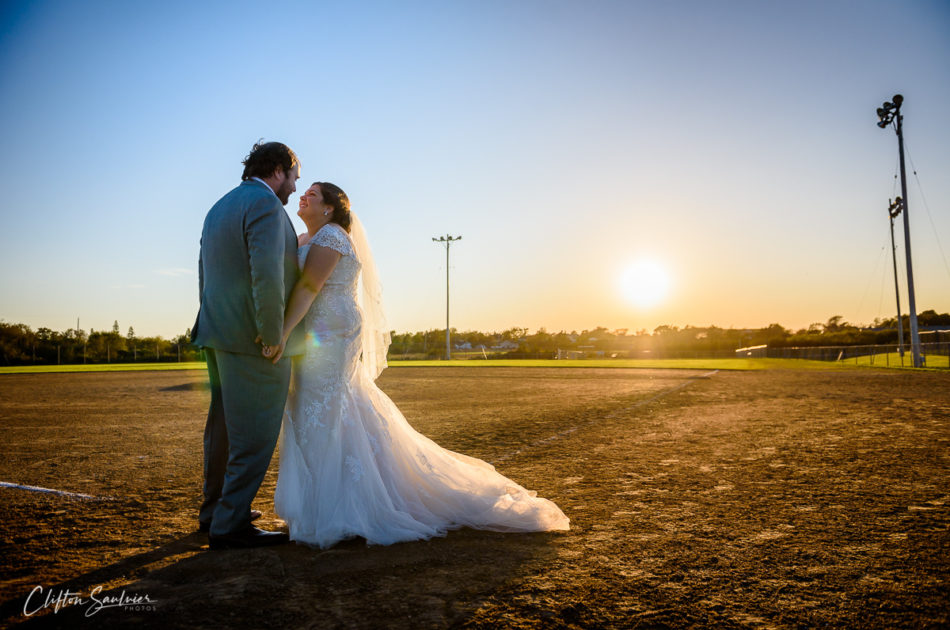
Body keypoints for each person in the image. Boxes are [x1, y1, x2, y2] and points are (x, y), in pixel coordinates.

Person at [269, 182, 569, 548]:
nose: (304, 196)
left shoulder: (331, 236)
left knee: (328, 409)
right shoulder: (304, 238)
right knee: (317, 409)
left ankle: (345, 510)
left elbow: (310, 287)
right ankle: (320, 506)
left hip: (331, 336)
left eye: (313, 194)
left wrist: (281, 332)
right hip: (314, 336)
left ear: (331, 208)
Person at [191, 141, 304, 549]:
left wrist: (211, 322)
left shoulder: (219, 206)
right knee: (254, 434)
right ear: (278, 169)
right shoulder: (265, 205)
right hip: (253, 340)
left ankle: (215, 511)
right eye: (294, 176)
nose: (295, 186)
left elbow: (205, 273)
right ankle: (230, 524)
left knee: (221, 428)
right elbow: (267, 274)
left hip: (217, 332)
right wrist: (272, 334)